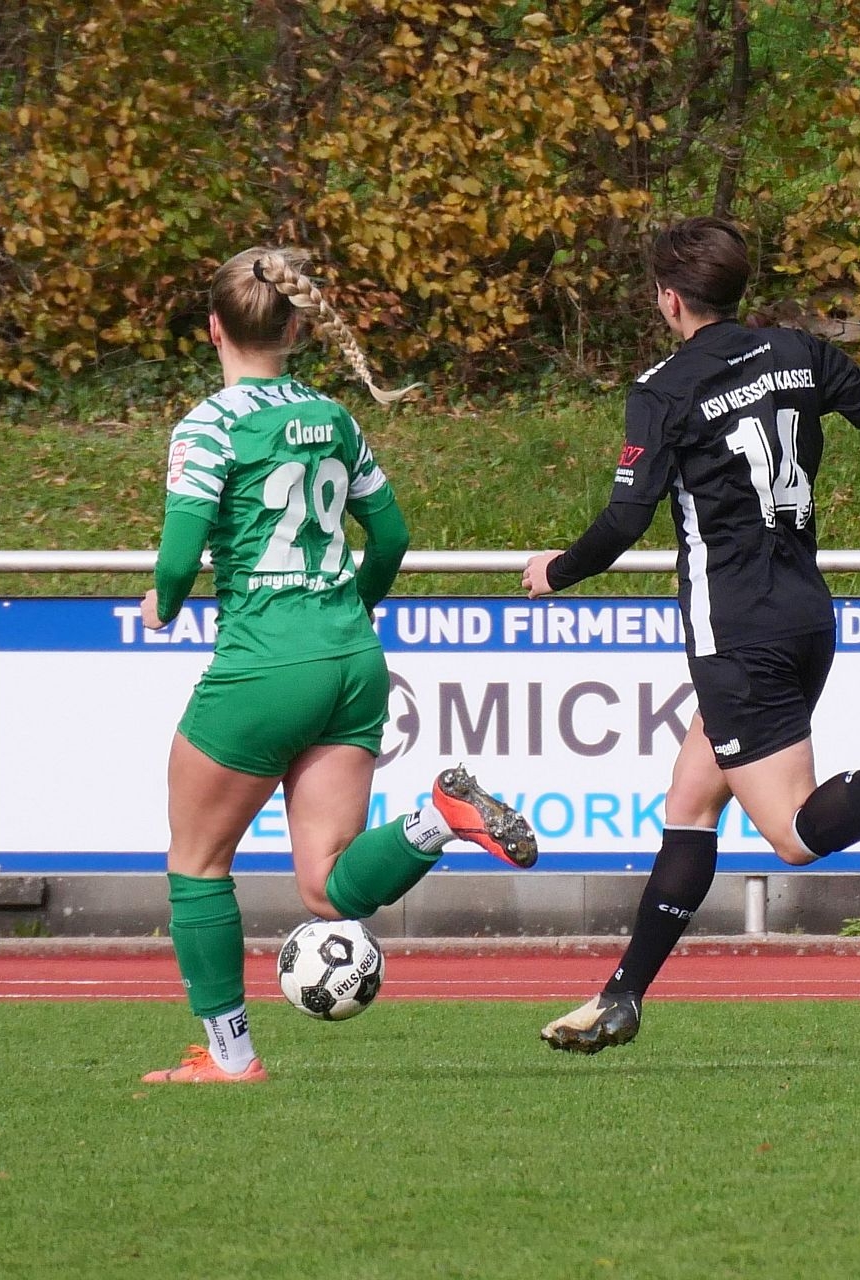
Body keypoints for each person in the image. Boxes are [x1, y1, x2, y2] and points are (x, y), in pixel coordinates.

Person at [521, 216, 860, 1055]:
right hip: (805, 614)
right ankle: (621, 997)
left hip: (737, 630)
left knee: (791, 835)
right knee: (690, 805)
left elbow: (624, 517)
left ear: (668, 298)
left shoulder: (664, 388)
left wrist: (557, 571)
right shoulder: (796, 351)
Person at [140, 246, 538, 1085]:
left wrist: (164, 603)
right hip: (353, 659)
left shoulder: (209, 426)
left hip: (264, 663)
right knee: (328, 890)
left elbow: (179, 561)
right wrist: (351, 610)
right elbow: (390, 537)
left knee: (198, 863)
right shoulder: (332, 417)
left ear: (214, 328)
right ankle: (436, 818)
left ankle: (231, 1057)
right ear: (294, 327)